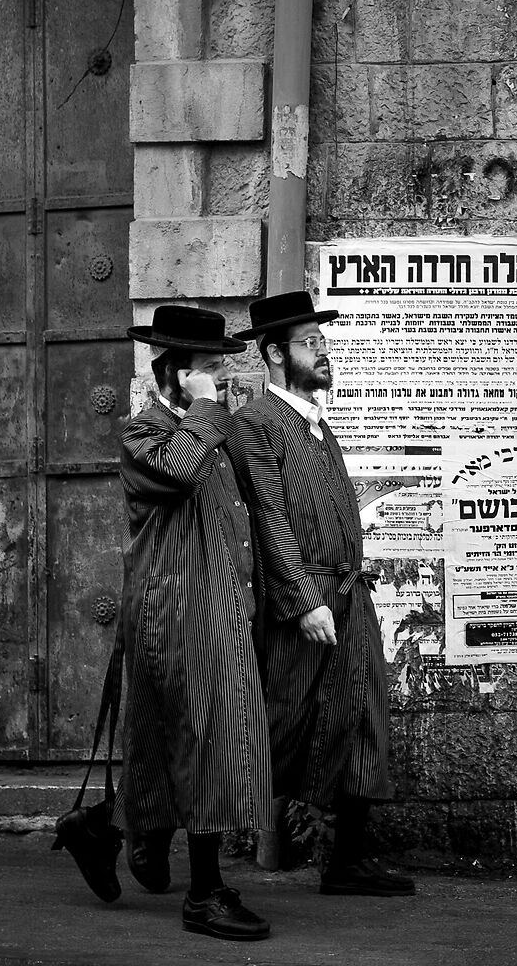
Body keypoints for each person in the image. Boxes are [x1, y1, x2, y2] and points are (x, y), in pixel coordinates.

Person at [232, 290, 414, 898]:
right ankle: (130, 822)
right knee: (274, 731)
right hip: (304, 605)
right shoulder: (257, 423)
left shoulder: (314, 422)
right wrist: (304, 599)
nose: (326, 352)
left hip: (347, 598)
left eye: (325, 341)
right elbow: (270, 519)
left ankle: (350, 861)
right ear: (276, 353)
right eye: (312, 344)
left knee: (361, 720)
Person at [118, 303, 278, 942]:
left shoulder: (212, 434)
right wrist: (207, 410)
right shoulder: (144, 437)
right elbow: (179, 474)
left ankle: (110, 828)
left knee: (182, 743)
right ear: (176, 372)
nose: (222, 378)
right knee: (201, 740)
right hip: (174, 615)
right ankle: (205, 893)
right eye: (210, 368)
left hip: (216, 609)